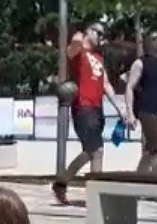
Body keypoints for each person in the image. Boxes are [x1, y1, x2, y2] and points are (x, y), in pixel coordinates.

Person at [52, 23, 127, 205]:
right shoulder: (78, 54)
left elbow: (106, 84)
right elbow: (73, 47)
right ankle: (95, 198)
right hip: (83, 107)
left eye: (103, 35)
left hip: (97, 108)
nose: (101, 38)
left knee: (89, 152)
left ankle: (61, 183)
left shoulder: (98, 57)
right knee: (97, 151)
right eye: (98, 33)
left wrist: (119, 108)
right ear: (89, 32)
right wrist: (79, 36)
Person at [125, 30, 157, 176]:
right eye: (154, 39)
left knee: (150, 150)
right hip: (148, 110)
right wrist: (130, 113)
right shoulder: (141, 63)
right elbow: (129, 87)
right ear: (148, 42)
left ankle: (136, 183)